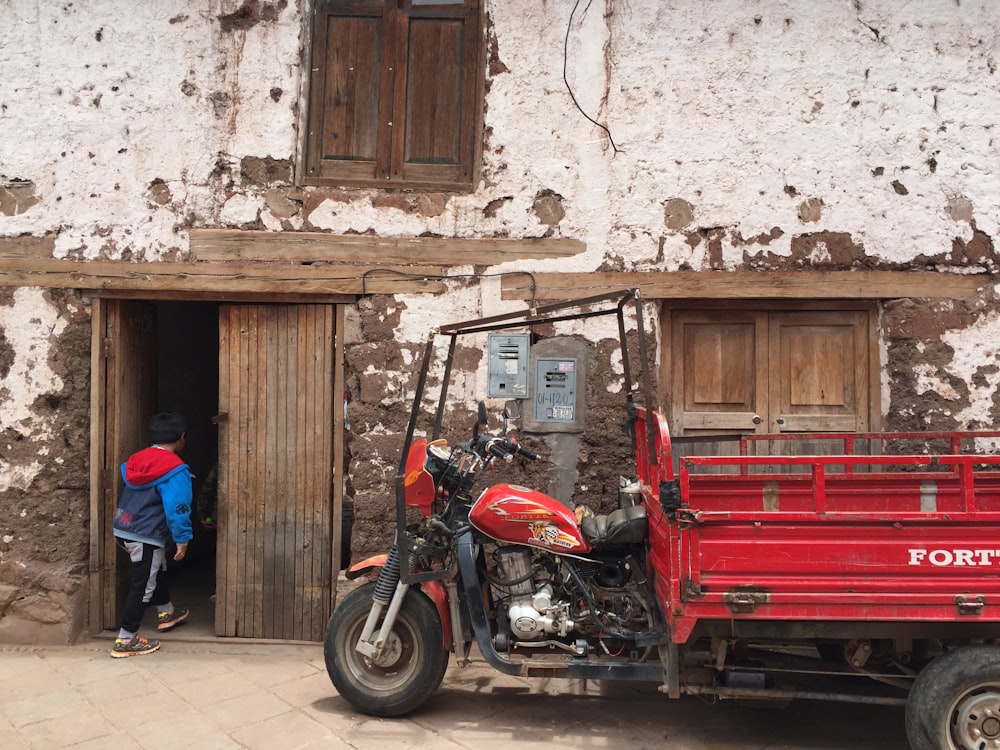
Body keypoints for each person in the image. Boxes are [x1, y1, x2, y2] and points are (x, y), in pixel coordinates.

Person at [110, 412, 193, 658]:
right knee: (143, 584)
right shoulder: (176, 470)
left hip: (124, 528)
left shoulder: (136, 460)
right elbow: (178, 508)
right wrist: (182, 538)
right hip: (146, 535)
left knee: (155, 570)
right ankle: (126, 640)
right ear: (181, 438)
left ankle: (166, 612)